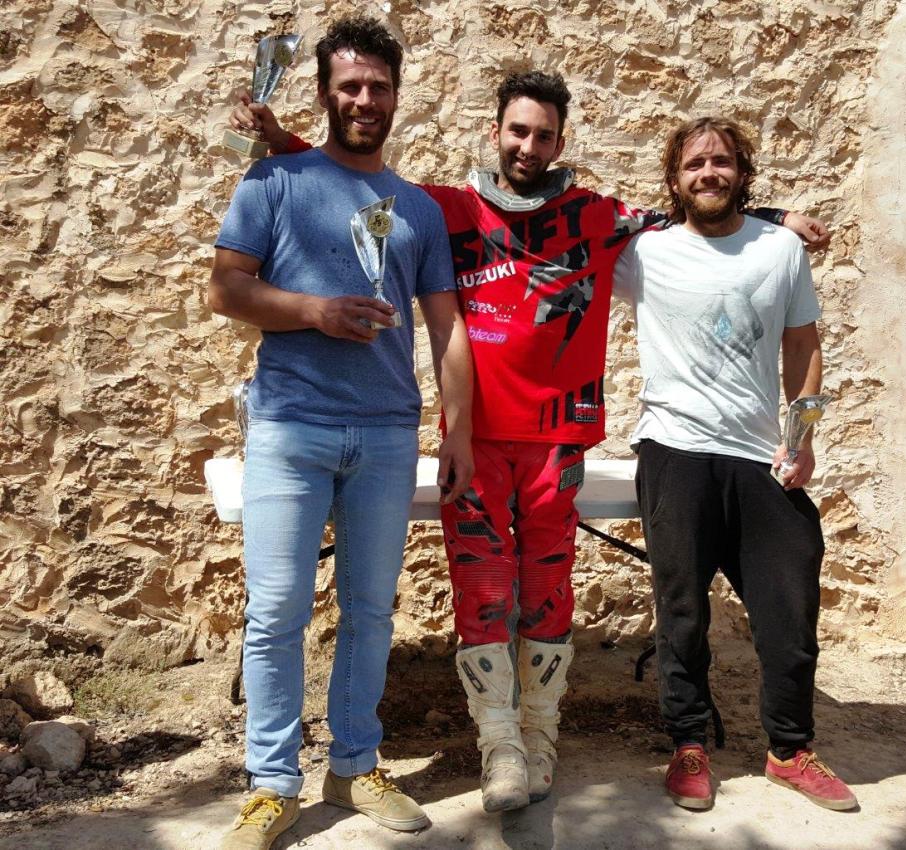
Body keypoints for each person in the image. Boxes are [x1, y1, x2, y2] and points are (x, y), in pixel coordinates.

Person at [235, 72, 829, 813]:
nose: (528, 146)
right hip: (474, 443)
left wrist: (778, 216)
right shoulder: (446, 208)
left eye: (543, 135)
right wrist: (286, 142)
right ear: (496, 133)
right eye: (517, 131)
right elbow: (359, 184)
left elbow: (692, 213)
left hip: (559, 442)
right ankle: (500, 749)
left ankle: (540, 738)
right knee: (483, 594)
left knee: (547, 594)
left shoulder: (596, 216)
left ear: (559, 142)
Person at [209, 17, 473, 850]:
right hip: (289, 427)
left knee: (368, 612)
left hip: (388, 436)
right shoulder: (273, 181)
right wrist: (314, 311)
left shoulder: (418, 208)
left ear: (396, 95)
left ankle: (355, 765)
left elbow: (447, 326)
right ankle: (271, 784)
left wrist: (457, 432)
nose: (364, 99)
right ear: (324, 93)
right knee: (276, 610)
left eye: (378, 87)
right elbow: (224, 290)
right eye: (349, 86)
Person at [614, 117, 857, 812]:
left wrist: (802, 437)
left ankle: (789, 751)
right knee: (682, 611)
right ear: (674, 179)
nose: (708, 173)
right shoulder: (645, 252)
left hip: (758, 453)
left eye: (721, 161)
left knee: (789, 603)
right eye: (694, 164)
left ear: (742, 173)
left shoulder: (779, 250)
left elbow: (802, 344)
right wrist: (781, 210)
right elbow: (569, 230)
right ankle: (688, 745)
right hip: (673, 449)